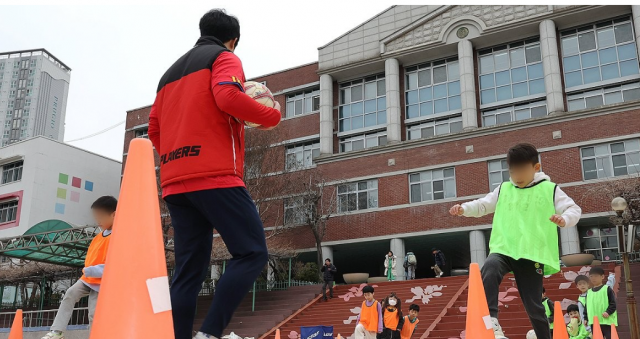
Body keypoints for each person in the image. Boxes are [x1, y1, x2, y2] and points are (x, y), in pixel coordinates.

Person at [148, 9, 282, 339]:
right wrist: (270, 117)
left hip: (175, 183)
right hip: (215, 175)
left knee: (187, 272)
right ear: (233, 40)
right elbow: (227, 95)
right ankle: (210, 333)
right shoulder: (224, 57)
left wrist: (176, 156)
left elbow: (153, 128)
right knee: (252, 252)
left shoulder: (167, 75)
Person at [449, 143, 582, 339]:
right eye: (512, 172)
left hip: (531, 253)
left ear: (536, 168)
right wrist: (464, 209)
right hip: (504, 248)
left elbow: (574, 209)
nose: (516, 177)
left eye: (521, 172)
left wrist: (564, 219)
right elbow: (483, 205)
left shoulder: (550, 189)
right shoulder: (504, 189)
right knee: (490, 267)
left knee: (534, 305)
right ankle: (491, 321)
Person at [41, 196, 117, 339]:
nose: (98, 220)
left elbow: (116, 262)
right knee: (70, 294)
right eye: (96, 217)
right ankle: (57, 331)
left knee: (93, 313)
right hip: (88, 277)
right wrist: (89, 270)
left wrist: (96, 270)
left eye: (101, 216)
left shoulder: (119, 236)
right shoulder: (98, 237)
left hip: (103, 280)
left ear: (114, 214)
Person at [584, 267, 617, 339]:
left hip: (606, 321)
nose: (593, 278)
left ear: (602, 277)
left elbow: (613, 303)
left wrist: (608, 312)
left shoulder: (607, 289)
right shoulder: (589, 292)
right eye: (591, 276)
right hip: (594, 322)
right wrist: (585, 318)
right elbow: (586, 307)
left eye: (596, 276)